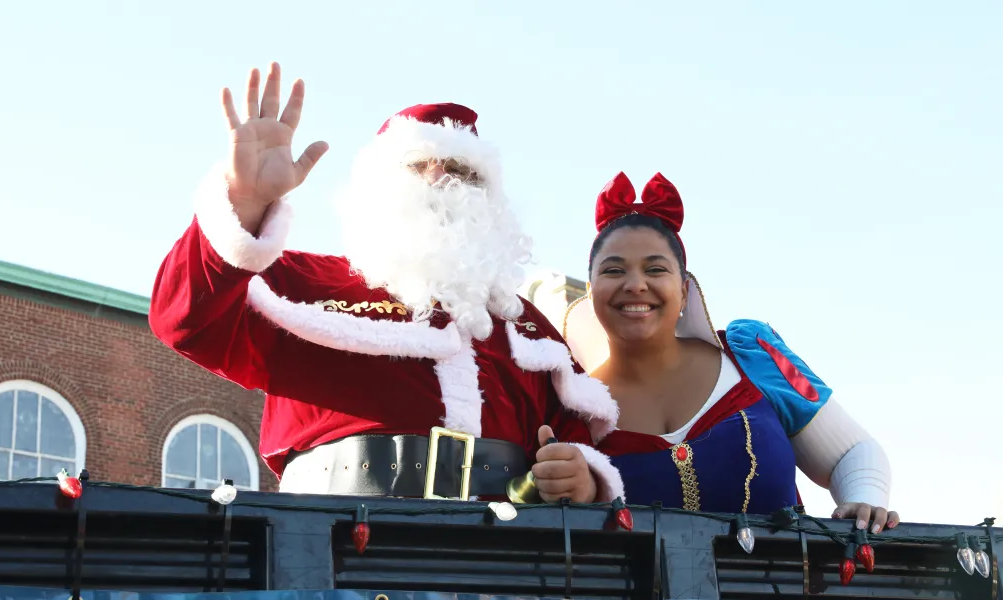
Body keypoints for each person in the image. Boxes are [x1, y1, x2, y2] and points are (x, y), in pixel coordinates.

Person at [148, 62, 624, 504]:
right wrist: (245, 203)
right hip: (337, 555)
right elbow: (184, 319)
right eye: (418, 164)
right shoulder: (302, 283)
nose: (440, 179)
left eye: (461, 170)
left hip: (495, 568)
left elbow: (570, 440)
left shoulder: (528, 328)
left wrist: (581, 476)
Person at [562, 170, 899, 531]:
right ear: (592, 291)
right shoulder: (573, 405)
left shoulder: (751, 357)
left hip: (783, 587)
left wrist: (866, 504)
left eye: (655, 269)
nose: (635, 285)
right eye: (614, 271)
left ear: (685, 290)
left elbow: (851, 452)